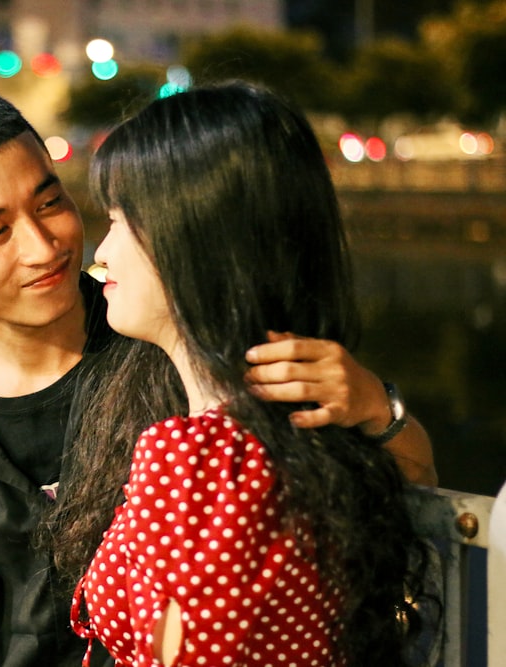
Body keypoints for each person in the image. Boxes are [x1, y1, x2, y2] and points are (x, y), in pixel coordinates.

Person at [0, 85, 435, 666]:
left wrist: (376, 408)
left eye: (51, 203)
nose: (44, 246)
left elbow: (398, 493)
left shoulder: (169, 337)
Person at [54, 82, 431, 666]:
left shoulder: (198, 460)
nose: (99, 251)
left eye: (120, 221)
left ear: (193, 241)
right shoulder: (292, 440)